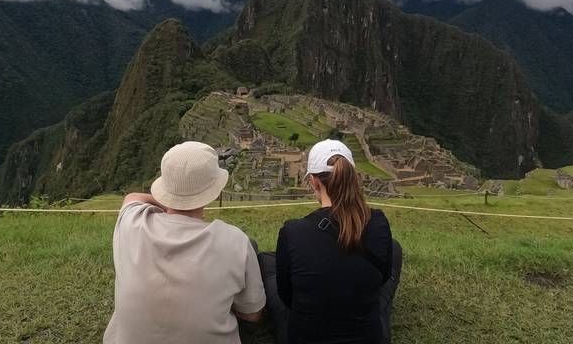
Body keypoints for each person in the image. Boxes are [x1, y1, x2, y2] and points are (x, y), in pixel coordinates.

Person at [103, 141, 266, 344]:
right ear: (212, 191)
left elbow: (132, 197)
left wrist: (173, 200)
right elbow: (252, 314)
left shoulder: (131, 223)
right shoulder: (235, 242)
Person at [259, 140, 403, 344]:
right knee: (394, 249)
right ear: (352, 177)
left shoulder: (293, 231)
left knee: (267, 262)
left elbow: (286, 296)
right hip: (368, 336)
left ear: (314, 182)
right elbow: (383, 277)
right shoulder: (378, 222)